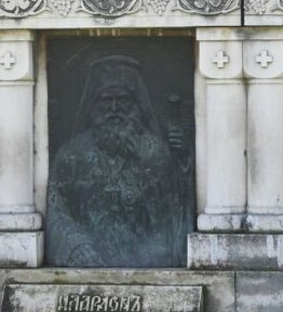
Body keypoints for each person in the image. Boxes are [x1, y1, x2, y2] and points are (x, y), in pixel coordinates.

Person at [45, 55, 192, 267]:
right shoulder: (72, 155)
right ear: (93, 105)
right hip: (89, 258)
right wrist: (75, 246)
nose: (114, 108)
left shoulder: (156, 153)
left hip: (147, 261)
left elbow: (174, 212)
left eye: (122, 99)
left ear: (136, 103)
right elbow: (57, 211)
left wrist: (182, 159)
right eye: (106, 100)